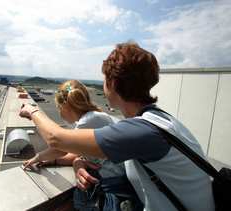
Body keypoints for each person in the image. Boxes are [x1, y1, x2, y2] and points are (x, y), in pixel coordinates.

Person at [19, 42, 215, 211]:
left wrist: (32, 111)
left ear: (112, 83)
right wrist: (79, 160)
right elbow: (86, 150)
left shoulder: (141, 131)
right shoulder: (157, 119)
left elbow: (56, 139)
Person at [22, 80, 142, 211]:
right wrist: (54, 160)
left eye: (59, 108)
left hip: (116, 188)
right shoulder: (96, 117)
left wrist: (38, 157)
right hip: (122, 186)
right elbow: (76, 153)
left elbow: (59, 146)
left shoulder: (89, 120)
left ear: (64, 106)